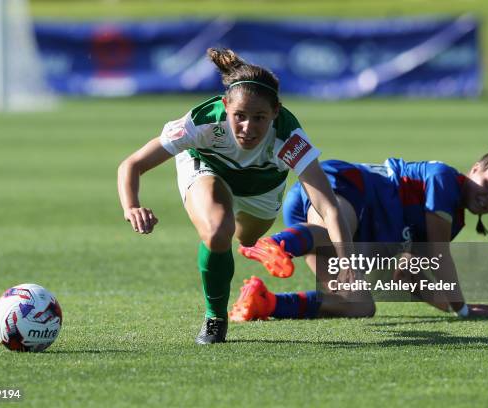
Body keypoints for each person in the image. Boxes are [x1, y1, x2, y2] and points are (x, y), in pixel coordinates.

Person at [117, 48, 353, 344]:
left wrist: (347, 261)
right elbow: (132, 164)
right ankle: (215, 317)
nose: (248, 127)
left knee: (247, 239)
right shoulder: (203, 121)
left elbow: (327, 204)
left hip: (262, 187)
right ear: (225, 105)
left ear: (276, 112)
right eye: (239, 116)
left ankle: (259, 246)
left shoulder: (288, 136)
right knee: (218, 231)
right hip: (208, 168)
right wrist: (132, 206)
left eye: (259, 117)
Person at [230, 147, 488, 321]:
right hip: (349, 189)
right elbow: (438, 254)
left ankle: (264, 302)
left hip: (314, 224)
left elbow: (407, 275)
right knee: (330, 230)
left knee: (358, 304)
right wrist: (463, 309)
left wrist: (452, 308)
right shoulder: (444, 180)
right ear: (475, 169)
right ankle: (274, 244)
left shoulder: (454, 220)